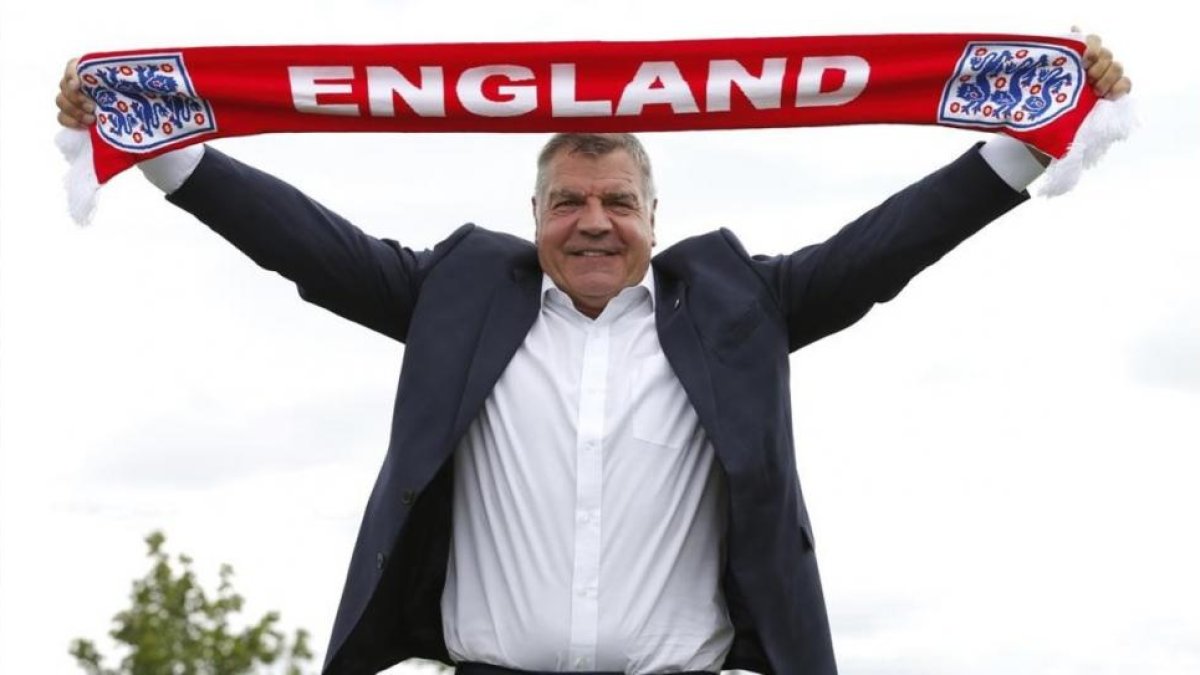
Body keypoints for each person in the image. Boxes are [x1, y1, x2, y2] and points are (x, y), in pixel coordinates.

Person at [56, 34, 1131, 675]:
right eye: (568, 201)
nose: (594, 222)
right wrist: (162, 144)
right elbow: (307, 244)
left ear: (655, 215)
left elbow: (882, 250)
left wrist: (1027, 137)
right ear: (533, 215)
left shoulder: (738, 304)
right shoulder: (456, 296)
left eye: (618, 201)